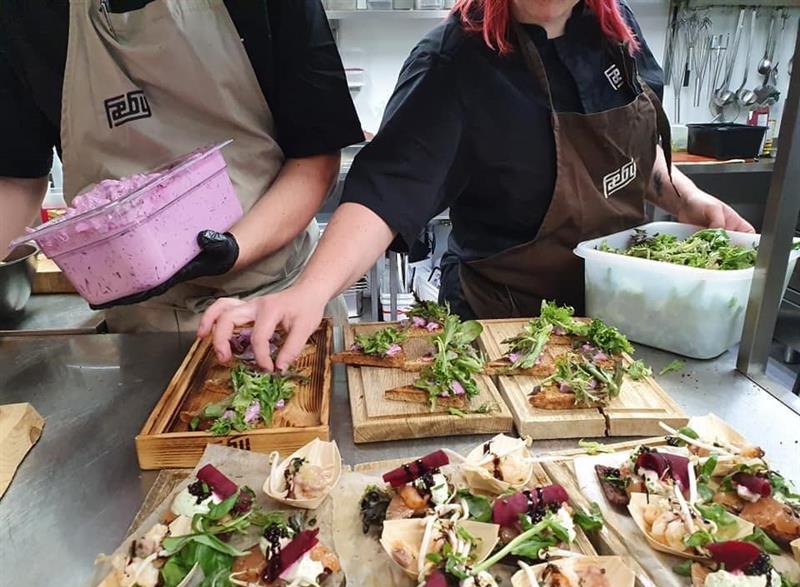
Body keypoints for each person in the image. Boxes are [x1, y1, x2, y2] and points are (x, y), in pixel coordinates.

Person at [198, 0, 754, 370]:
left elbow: (635, 161)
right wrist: (310, 291)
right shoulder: (456, 63)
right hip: (507, 339)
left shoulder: (617, 28)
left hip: (627, 327)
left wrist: (693, 202)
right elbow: (386, 193)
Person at [0, 0, 363, 332]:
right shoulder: (25, 14)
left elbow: (315, 160)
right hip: (140, 325)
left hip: (276, 301)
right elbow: (18, 177)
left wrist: (232, 248)